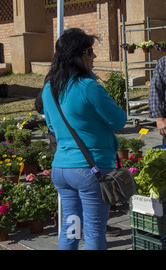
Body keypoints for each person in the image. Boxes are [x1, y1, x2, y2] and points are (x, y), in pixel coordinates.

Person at [41, 28, 127, 250]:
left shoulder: (49, 88)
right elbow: (118, 121)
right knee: (94, 232)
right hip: (91, 169)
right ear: (76, 56)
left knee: (70, 229)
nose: (94, 56)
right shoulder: (88, 87)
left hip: (61, 169)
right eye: (89, 52)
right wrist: (90, 79)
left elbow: (51, 126)